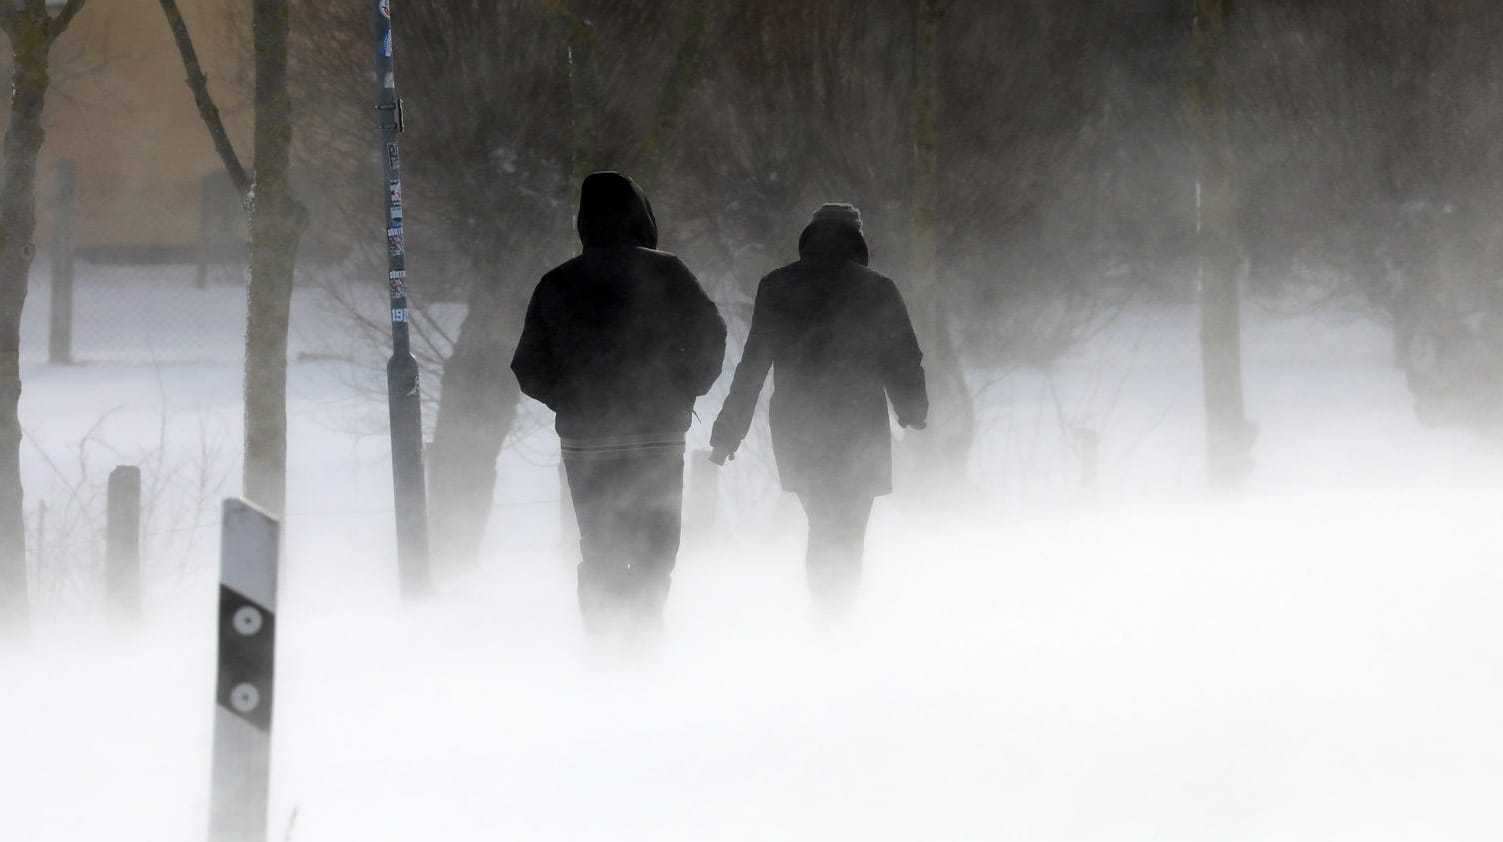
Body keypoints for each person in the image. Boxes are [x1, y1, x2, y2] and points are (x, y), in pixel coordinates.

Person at [511, 171, 725, 637]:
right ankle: (642, 642)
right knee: (656, 546)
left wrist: (571, 400)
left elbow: (527, 366)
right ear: (641, 216)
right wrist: (683, 389)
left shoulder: (558, 282)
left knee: (601, 548)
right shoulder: (670, 272)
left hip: (587, 441)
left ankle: (606, 646)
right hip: (658, 435)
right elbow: (711, 337)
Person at [710, 203, 927, 613]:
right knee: (848, 531)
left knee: (823, 524)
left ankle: (828, 619)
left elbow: (752, 365)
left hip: (798, 428)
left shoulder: (777, 286)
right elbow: (903, 357)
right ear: (857, 239)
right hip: (859, 428)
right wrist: (913, 410)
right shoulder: (877, 288)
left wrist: (727, 434)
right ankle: (836, 620)